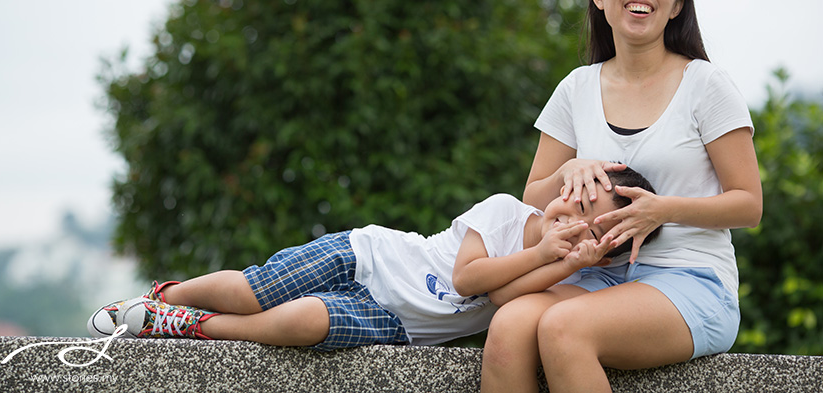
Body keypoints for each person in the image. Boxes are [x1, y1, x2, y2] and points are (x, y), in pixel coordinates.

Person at [479, 0, 763, 393]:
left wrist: (663, 209)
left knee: (563, 328)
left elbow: (748, 204)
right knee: (508, 327)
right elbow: (533, 195)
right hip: (592, 274)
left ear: (677, 5)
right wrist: (568, 171)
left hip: (688, 277)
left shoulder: (707, 85)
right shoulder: (576, 89)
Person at [88, 169, 658, 350]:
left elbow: (503, 300)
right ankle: (166, 297)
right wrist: (542, 250)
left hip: (400, 324)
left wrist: (560, 264)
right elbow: (470, 278)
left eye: (595, 229)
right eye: (585, 199)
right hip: (369, 258)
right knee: (255, 289)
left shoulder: (557, 278)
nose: (578, 218)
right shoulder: (508, 213)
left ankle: (195, 328)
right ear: (572, 184)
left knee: (303, 323)